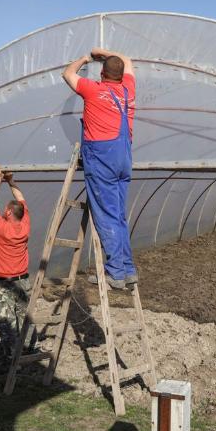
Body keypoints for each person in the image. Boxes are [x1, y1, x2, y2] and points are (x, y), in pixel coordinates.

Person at [62, 47, 138, 290]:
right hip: (124, 158)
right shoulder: (128, 88)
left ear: (102, 73)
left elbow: (67, 73)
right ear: (120, 74)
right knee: (118, 215)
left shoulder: (93, 89)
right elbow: (126, 59)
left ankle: (115, 273)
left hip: (102, 158)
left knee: (105, 214)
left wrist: (86, 57)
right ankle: (127, 270)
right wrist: (104, 53)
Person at [0, 164, 35, 357]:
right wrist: (11, 181)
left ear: (8, 214)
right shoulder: (25, 225)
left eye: (5, 209)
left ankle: (11, 356)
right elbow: (21, 200)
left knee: (6, 322)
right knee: (25, 317)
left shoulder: (0, 228)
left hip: (5, 283)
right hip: (23, 280)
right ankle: (31, 350)